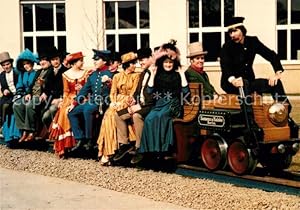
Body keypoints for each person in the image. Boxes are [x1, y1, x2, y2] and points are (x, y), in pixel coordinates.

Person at [219, 17, 298, 135]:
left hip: (249, 82)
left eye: (235, 31)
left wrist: (277, 73)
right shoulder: (227, 46)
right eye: (230, 32)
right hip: (231, 83)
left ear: (242, 30)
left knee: (274, 83)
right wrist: (233, 79)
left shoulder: (253, 41)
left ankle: (286, 114)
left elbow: (271, 55)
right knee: (243, 84)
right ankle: (250, 122)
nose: (232, 35)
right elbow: (225, 67)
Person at [136, 42, 189, 163]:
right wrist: (153, 75)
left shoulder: (177, 75)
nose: (168, 65)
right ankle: (150, 150)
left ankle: (163, 149)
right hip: (159, 103)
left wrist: (181, 74)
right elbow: (149, 90)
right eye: (166, 62)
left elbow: (186, 92)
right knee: (149, 118)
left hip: (173, 104)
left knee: (161, 116)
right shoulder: (158, 74)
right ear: (162, 63)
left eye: (170, 62)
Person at [97, 51, 140, 165]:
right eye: (132, 64)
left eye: (134, 63)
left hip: (128, 103)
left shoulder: (136, 76)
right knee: (108, 117)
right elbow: (113, 92)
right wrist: (114, 102)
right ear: (126, 65)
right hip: (117, 102)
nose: (134, 66)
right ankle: (109, 151)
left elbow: (134, 93)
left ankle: (114, 150)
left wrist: (122, 101)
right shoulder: (117, 76)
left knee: (113, 116)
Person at [113, 48, 154, 164]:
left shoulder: (155, 73)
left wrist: (139, 106)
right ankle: (124, 144)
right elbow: (137, 91)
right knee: (118, 115)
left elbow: (155, 96)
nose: (141, 62)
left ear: (151, 58)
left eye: (143, 59)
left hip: (149, 106)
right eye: (139, 60)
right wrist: (133, 99)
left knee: (136, 116)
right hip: (139, 104)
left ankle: (139, 147)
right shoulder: (142, 73)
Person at [68, 49, 113, 154]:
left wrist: (109, 83)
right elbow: (84, 91)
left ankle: (90, 140)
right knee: (72, 112)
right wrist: (74, 103)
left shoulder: (111, 74)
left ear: (105, 61)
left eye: (97, 60)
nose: (95, 62)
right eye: (94, 60)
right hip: (92, 102)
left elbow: (114, 90)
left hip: (103, 102)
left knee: (88, 109)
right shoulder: (92, 75)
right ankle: (80, 138)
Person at [48, 51, 89, 158]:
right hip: (69, 98)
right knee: (64, 112)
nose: (83, 63)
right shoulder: (66, 74)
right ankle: (64, 146)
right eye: (81, 61)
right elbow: (66, 91)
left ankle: (76, 142)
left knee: (71, 111)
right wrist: (65, 102)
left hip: (83, 98)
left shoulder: (85, 73)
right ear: (75, 62)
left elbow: (89, 89)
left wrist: (82, 90)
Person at [13, 48, 52, 142]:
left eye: (28, 63)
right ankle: (24, 131)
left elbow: (48, 86)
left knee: (29, 105)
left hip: (40, 96)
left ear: (32, 63)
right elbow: (29, 86)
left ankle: (31, 131)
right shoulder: (34, 73)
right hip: (29, 95)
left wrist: (44, 90)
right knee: (16, 105)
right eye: (24, 64)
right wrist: (27, 93)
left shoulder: (46, 72)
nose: (26, 66)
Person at [41, 47, 68, 128]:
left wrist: (60, 99)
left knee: (52, 110)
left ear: (60, 59)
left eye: (56, 59)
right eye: (53, 60)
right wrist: (44, 93)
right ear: (50, 61)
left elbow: (67, 89)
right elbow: (47, 87)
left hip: (62, 99)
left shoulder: (65, 71)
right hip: (50, 99)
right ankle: (49, 132)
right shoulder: (49, 72)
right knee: (44, 117)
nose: (55, 62)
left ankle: (57, 132)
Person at [0, 52, 20, 146]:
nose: (6, 67)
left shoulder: (17, 72)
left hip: (18, 94)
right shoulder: (2, 75)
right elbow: (3, 87)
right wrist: (4, 90)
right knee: (3, 106)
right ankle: (5, 131)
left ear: (11, 64)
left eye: (7, 64)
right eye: (4, 65)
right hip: (8, 96)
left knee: (11, 108)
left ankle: (15, 135)